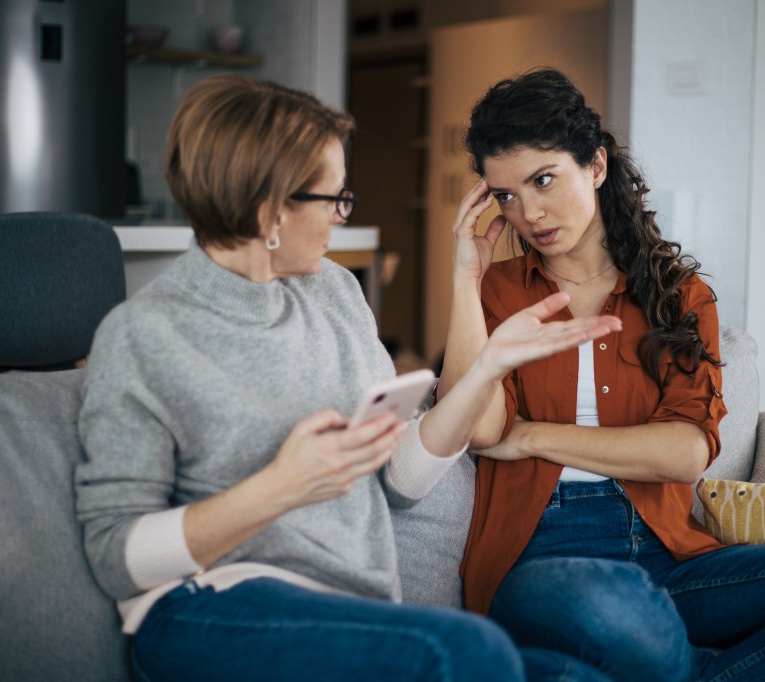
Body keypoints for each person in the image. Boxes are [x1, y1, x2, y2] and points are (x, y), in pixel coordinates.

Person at [74, 73, 622, 681]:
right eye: (334, 198)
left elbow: (400, 484)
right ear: (270, 211)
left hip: (349, 608)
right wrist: (282, 485)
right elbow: (116, 555)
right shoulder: (146, 333)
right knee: (473, 654)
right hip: (211, 608)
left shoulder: (335, 292)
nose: (342, 215)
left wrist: (489, 367)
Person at [438, 67, 765, 682]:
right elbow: (477, 428)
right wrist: (465, 280)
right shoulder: (498, 292)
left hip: (669, 560)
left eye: (543, 179)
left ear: (596, 166)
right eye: (505, 195)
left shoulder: (680, 296)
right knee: (597, 608)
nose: (528, 212)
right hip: (541, 565)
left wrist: (529, 437)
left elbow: (684, 453)